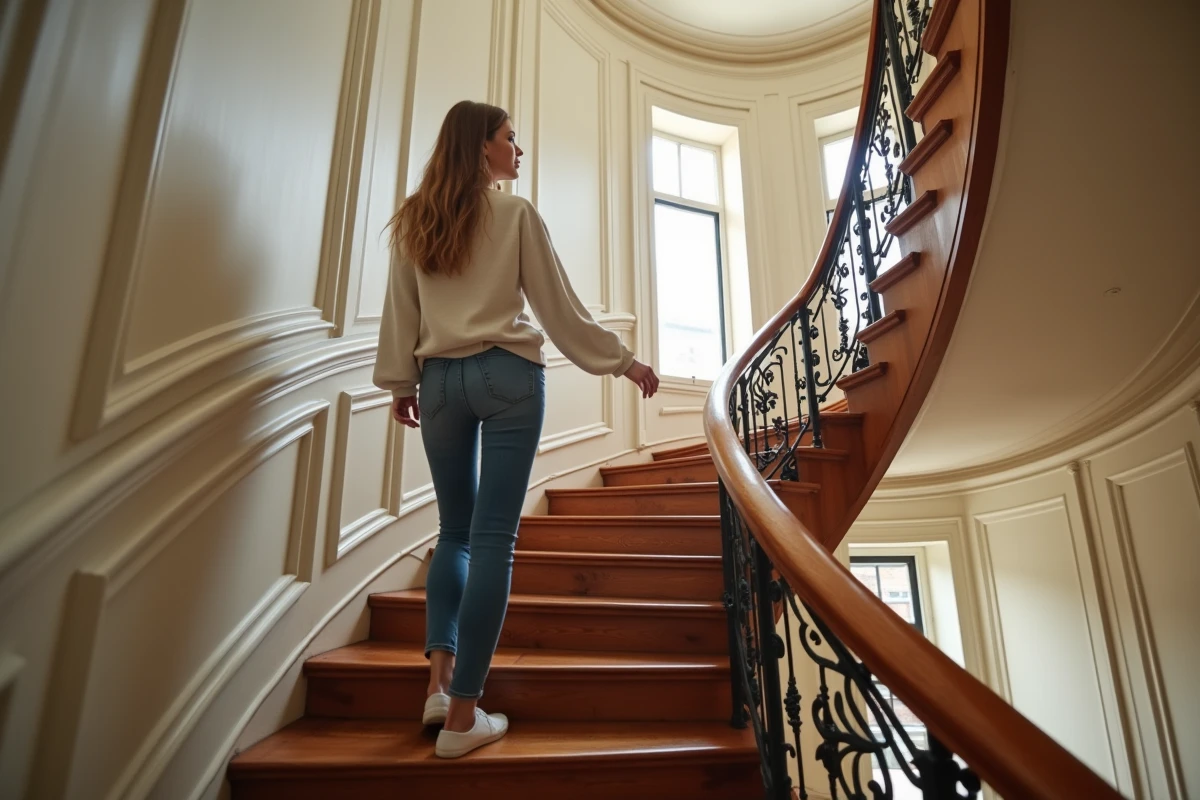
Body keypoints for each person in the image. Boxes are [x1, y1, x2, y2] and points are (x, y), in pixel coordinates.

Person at [373, 100, 659, 758]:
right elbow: (559, 307)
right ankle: (464, 719)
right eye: (510, 139)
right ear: (481, 148)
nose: (518, 151)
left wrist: (399, 384)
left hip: (439, 384)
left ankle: (439, 687)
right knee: (494, 541)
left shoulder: (414, 220)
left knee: (455, 533)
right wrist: (624, 362)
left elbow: (401, 309)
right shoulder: (515, 214)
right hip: (506, 378)